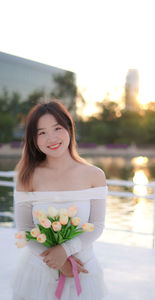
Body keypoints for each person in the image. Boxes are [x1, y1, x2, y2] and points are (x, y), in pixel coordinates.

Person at [11, 100, 108, 300]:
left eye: (57, 128)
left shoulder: (94, 175)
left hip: (82, 268)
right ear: (33, 139)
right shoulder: (26, 176)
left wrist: (65, 251)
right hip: (39, 270)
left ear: (69, 128)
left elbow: (96, 226)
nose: (51, 138)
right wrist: (56, 261)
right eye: (42, 132)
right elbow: (25, 228)